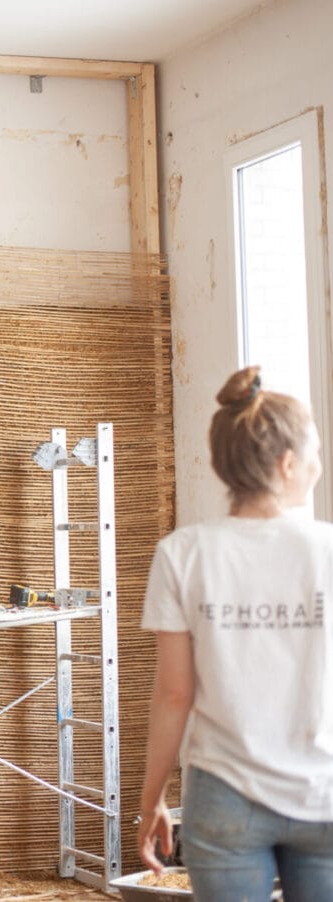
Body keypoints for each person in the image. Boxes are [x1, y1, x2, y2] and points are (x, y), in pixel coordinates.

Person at [138, 366, 333, 899]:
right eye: (315, 453)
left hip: (223, 797)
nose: (318, 465)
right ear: (287, 463)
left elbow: (174, 694)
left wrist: (152, 800)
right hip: (323, 792)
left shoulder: (183, 553)